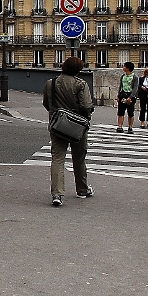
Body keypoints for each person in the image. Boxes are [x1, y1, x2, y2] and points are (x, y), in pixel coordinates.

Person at [42, 56, 95, 207]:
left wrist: (57, 113)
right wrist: (86, 115)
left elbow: (46, 103)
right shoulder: (80, 84)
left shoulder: (50, 83)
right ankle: (82, 189)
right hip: (77, 125)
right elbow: (86, 105)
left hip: (58, 124)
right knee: (79, 158)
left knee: (57, 159)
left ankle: (57, 194)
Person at [116, 61, 140, 134]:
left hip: (130, 94)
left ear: (128, 68)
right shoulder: (123, 76)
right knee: (120, 112)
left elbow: (135, 88)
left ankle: (130, 127)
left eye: (124, 66)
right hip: (123, 94)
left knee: (130, 112)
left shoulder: (135, 77)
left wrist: (131, 97)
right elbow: (120, 86)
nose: (123, 67)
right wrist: (118, 95)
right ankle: (120, 126)